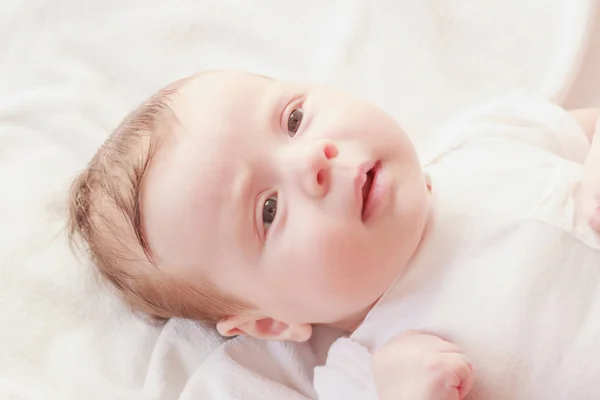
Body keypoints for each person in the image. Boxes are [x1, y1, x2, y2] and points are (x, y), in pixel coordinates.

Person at [68, 69, 600, 399]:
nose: (314, 161)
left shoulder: (481, 138)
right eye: (269, 210)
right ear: (275, 321)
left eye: (294, 119)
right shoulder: (369, 373)